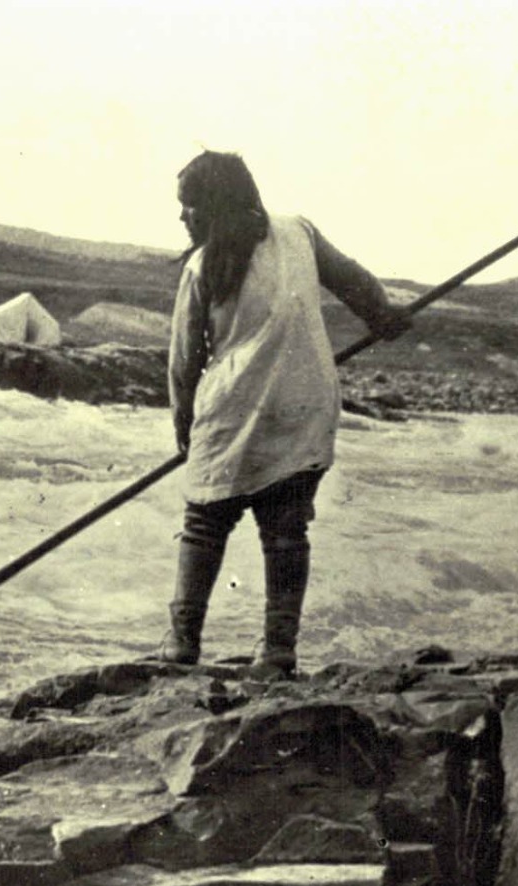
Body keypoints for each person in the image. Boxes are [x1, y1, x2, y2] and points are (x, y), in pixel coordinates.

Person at [161, 151, 410, 678]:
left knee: (205, 524)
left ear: (216, 204)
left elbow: (184, 362)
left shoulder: (201, 267)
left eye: (190, 206)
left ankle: (182, 644)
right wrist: (382, 315)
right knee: (285, 531)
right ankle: (277, 652)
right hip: (303, 405)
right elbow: (353, 280)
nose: (183, 217)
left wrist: (185, 427)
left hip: (232, 412)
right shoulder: (298, 231)